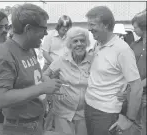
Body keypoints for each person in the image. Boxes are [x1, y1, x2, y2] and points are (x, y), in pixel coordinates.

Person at [0, 3, 62, 135]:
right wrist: (43, 88)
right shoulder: (3, 55)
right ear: (28, 29)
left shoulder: (30, 48)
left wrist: (46, 79)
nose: (46, 33)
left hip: (36, 123)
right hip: (19, 128)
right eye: (43, 29)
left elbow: (30, 78)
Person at [84, 6, 143, 135]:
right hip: (89, 105)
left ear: (105, 25)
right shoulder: (98, 44)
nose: (89, 28)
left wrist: (129, 119)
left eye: (92, 24)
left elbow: (137, 87)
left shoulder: (122, 50)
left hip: (106, 113)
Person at [43, 27, 91, 135]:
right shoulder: (62, 60)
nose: (79, 44)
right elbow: (45, 74)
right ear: (70, 44)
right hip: (63, 112)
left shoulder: (92, 61)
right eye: (75, 41)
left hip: (84, 113)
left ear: (86, 43)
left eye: (82, 40)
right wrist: (52, 87)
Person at [130, 10, 146, 135]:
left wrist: (140, 85)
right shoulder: (134, 45)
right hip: (133, 93)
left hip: (144, 93)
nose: (134, 30)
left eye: (135, 27)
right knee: (134, 124)